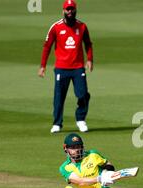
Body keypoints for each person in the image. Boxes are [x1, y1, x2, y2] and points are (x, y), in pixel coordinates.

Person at [39, 0, 93, 134]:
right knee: (59, 97)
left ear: (75, 10)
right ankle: (57, 123)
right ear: (63, 11)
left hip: (78, 67)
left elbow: (88, 44)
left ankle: (80, 119)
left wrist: (90, 60)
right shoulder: (56, 27)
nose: (70, 12)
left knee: (83, 94)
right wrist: (43, 66)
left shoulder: (82, 26)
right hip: (61, 68)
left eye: (72, 9)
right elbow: (47, 47)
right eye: (67, 9)